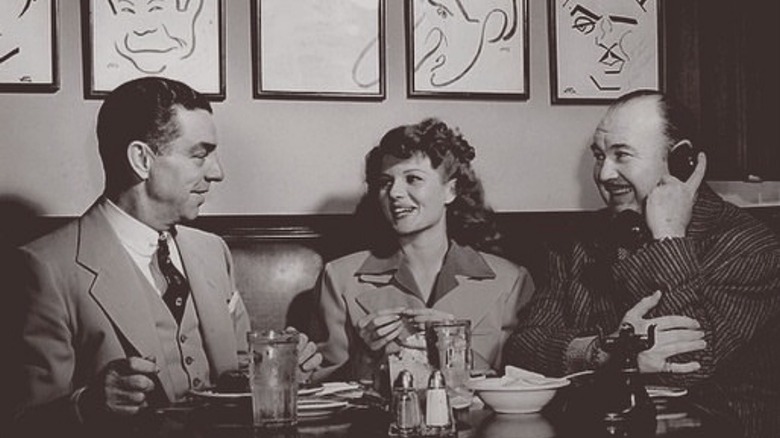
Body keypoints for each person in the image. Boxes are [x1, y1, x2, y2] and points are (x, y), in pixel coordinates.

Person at [8, 77, 322, 437]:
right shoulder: (44, 267)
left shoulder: (212, 251)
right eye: (200, 154)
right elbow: (20, 423)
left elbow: (238, 375)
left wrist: (278, 369)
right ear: (142, 159)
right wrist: (87, 405)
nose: (217, 172)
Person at [503, 90, 780, 437]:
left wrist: (668, 236)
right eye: (600, 155)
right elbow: (520, 352)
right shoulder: (583, 242)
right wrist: (605, 351)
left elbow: (682, 365)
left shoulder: (749, 247)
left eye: (622, 155)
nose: (604, 173)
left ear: (683, 161)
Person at [312, 118, 535, 383]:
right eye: (385, 182)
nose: (394, 193)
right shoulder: (339, 277)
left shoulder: (511, 281)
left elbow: (526, 380)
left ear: (450, 191)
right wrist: (364, 360)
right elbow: (323, 385)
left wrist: (457, 351)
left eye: (413, 179)